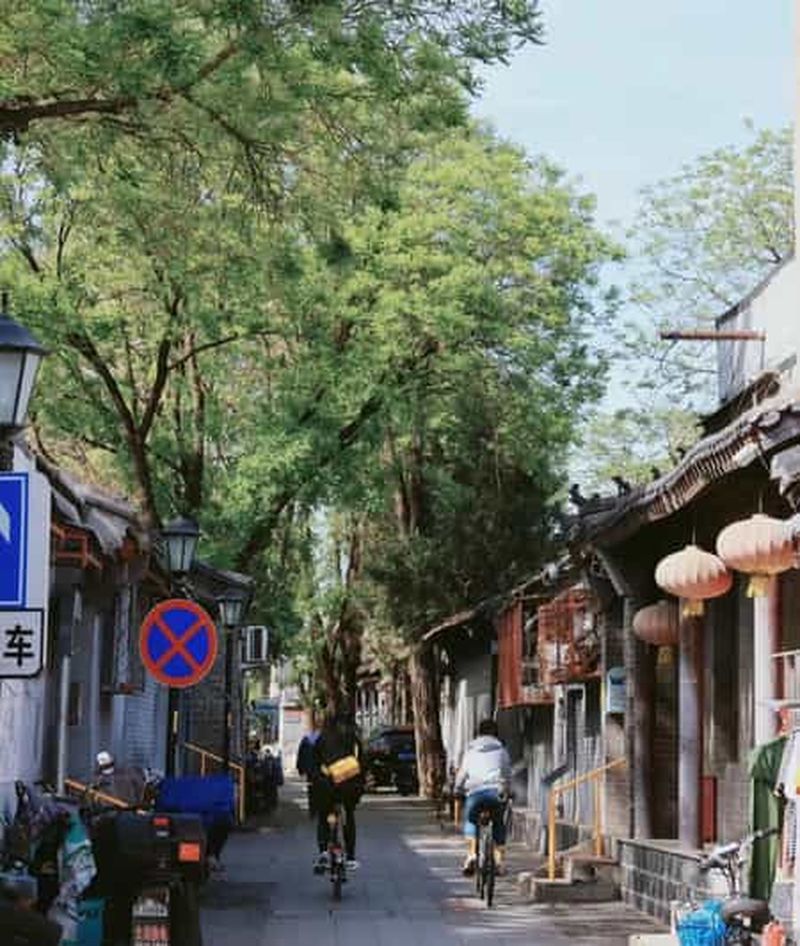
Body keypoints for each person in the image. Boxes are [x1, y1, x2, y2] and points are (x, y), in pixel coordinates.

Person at [454, 718, 512, 877]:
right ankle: (499, 861)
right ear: (496, 733)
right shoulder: (501, 749)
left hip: (475, 793)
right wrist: (509, 790)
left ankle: (472, 854)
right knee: (499, 822)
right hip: (496, 792)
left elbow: (462, 774)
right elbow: (507, 774)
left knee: (471, 819)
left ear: (478, 733)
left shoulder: (470, 749)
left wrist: (457, 789)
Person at [311, 711, 363, 873]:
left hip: (327, 786)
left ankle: (324, 852)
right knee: (349, 814)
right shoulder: (353, 739)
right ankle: (351, 857)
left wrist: (316, 779)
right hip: (349, 786)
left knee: (323, 816)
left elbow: (314, 762)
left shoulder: (321, 738)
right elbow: (362, 761)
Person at [296, 712, 322, 818]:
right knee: (320, 789)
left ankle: (313, 809)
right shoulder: (323, 738)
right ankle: (319, 808)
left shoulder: (306, 739)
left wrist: (300, 768)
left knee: (312, 789)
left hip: (311, 769)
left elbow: (301, 755)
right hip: (321, 769)